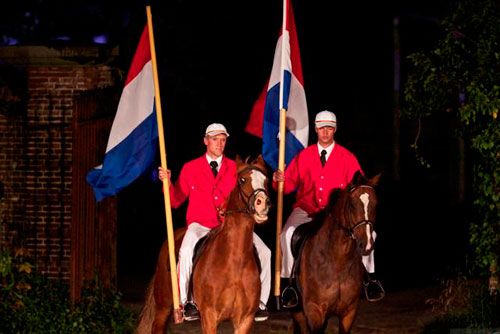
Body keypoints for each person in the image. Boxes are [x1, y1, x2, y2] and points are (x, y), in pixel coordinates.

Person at [159, 123, 271, 321]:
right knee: (185, 251)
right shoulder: (190, 167)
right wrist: (167, 182)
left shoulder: (235, 169)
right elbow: (176, 200)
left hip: (229, 226)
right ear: (205, 141)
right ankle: (187, 301)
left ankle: (260, 303)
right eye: (214, 139)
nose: (219, 144)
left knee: (265, 252)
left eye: (223, 140)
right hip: (200, 224)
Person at [273, 110, 383, 306]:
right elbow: (288, 185)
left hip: (336, 214)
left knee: (370, 234)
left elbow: (360, 185)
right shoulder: (304, 156)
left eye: (329, 128)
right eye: (322, 128)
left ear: (335, 130)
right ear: (316, 129)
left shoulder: (347, 157)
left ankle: (369, 280)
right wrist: (278, 180)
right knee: (286, 233)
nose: (325, 132)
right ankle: (288, 283)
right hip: (306, 208)